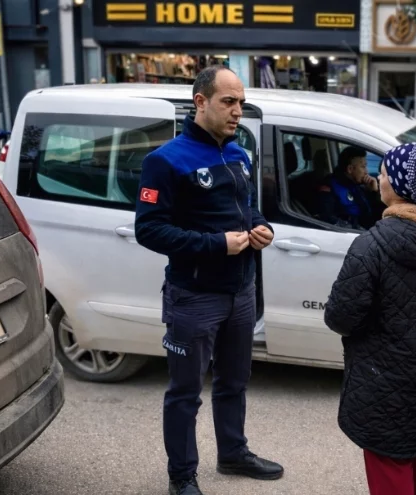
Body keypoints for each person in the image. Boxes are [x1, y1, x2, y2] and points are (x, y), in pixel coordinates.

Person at [134, 65, 284, 495]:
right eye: (228, 102)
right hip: (194, 296)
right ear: (200, 102)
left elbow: (247, 210)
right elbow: (150, 230)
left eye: (241, 102)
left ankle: (233, 453)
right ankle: (181, 477)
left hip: (241, 291)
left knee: (234, 382)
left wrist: (263, 228)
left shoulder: (238, 154)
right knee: (185, 392)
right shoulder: (164, 161)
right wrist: (216, 244)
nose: (238, 111)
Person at [323, 141, 416, 495]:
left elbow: (340, 317)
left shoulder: (371, 246)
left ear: (407, 187)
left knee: (390, 470)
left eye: (386, 173)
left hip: (382, 387)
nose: (378, 178)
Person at [316, 145, 382, 230]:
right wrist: (358, 229)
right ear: (350, 169)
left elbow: (370, 214)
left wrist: (374, 192)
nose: (366, 171)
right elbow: (328, 218)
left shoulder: (357, 185)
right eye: (363, 167)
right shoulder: (330, 188)